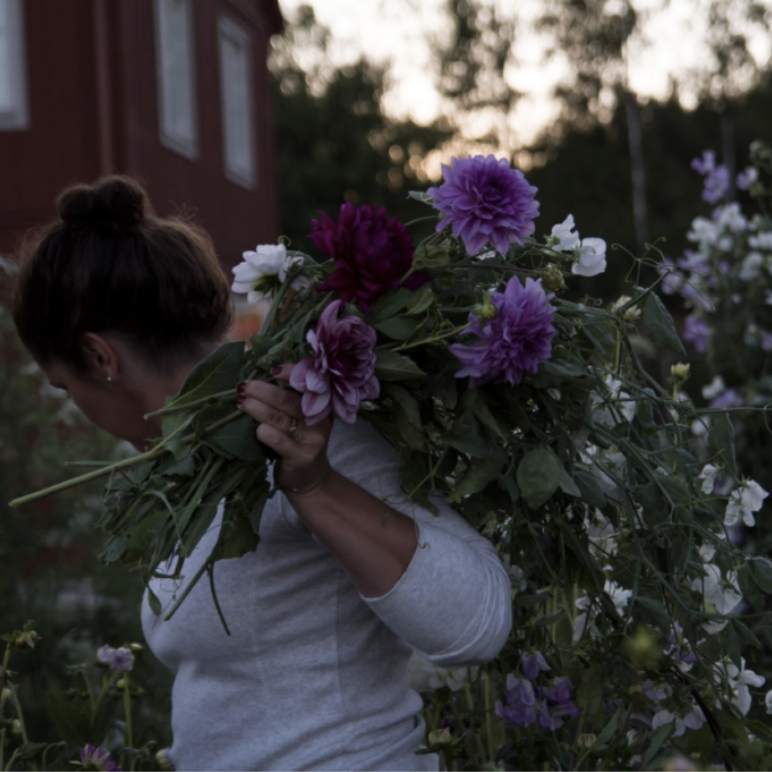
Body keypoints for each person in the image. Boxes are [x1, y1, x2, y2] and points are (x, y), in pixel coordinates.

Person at [12, 176, 513, 771]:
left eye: (66, 388)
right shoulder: (189, 464)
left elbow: (478, 622)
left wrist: (317, 486)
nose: (76, 408)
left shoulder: (304, 433)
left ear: (100, 357)